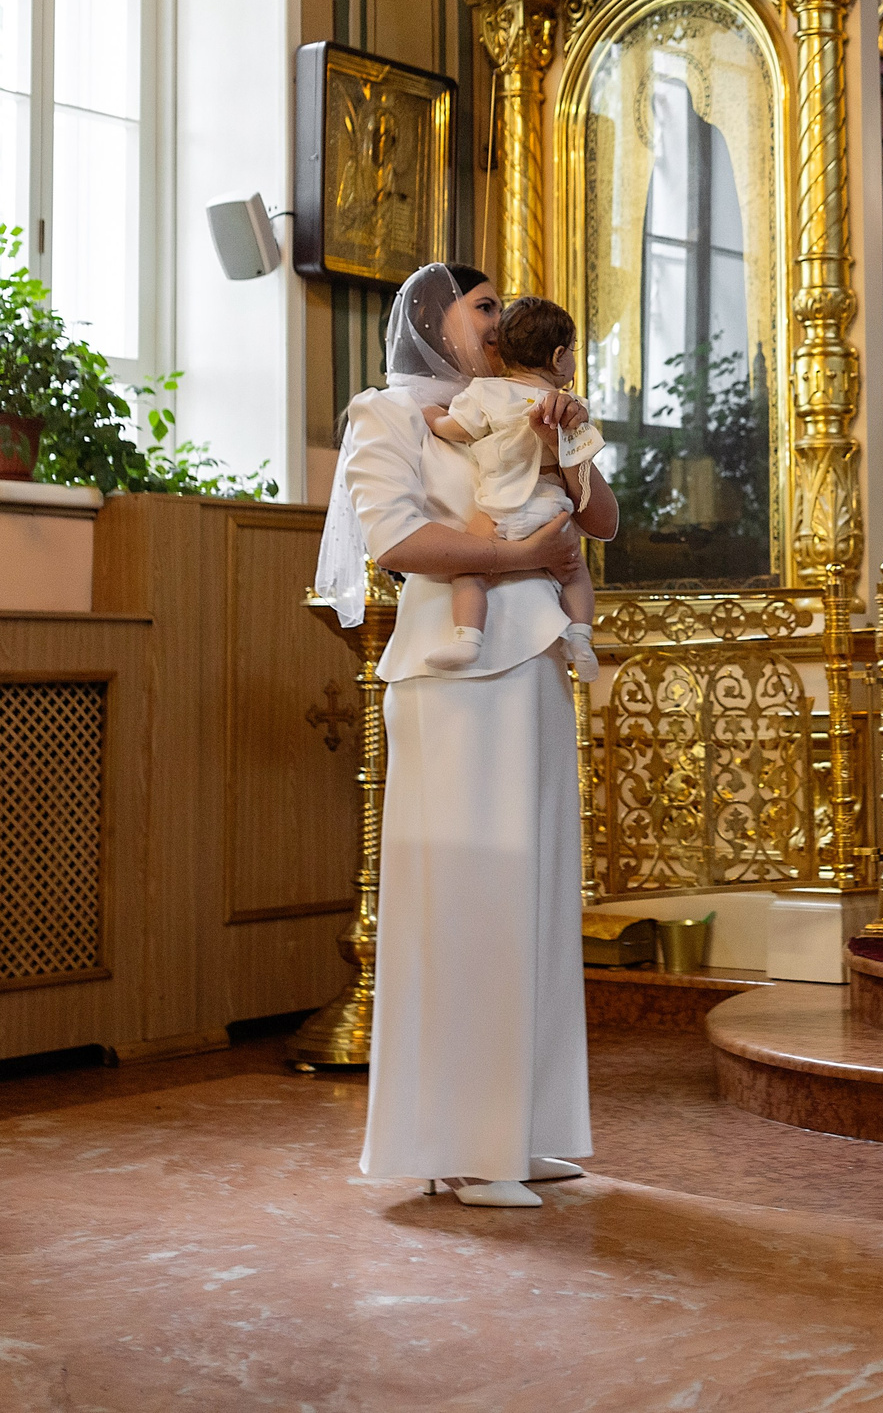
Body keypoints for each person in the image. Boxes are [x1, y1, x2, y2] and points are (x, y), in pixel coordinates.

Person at [316, 262, 618, 1209]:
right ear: (432, 318)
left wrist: (569, 438)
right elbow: (396, 542)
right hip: (452, 675)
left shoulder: (528, 403)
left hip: (533, 664)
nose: (497, 319)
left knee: (533, 897)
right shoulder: (387, 413)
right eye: (482, 305)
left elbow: (600, 520)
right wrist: (516, 554)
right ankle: (462, 1148)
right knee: (469, 904)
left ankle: (522, 1133)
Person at [423, 295, 604, 680]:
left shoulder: (485, 392)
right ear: (558, 357)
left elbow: (458, 429)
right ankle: (581, 638)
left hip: (500, 507)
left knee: (469, 569)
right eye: (573, 350)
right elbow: (581, 463)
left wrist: (433, 418)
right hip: (551, 507)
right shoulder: (568, 404)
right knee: (574, 572)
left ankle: (468, 637)